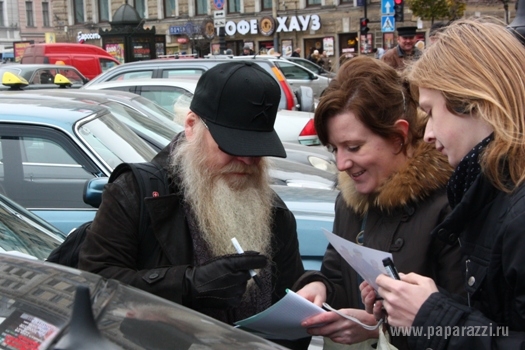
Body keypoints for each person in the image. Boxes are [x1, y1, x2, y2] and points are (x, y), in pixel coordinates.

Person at [78, 61, 309, 349]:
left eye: (257, 149)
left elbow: (293, 304)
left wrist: (315, 286)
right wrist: (189, 285)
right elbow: (94, 285)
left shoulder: (274, 212)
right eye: (234, 145)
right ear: (191, 126)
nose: (248, 161)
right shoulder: (136, 193)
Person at [361, 18, 525, 349]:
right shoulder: (495, 193)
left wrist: (433, 316)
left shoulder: (516, 212)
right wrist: (416, 309)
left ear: (473, 102)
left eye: (432, 112)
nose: (429, 133)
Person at [293, 56, 463, 350]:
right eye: (335, 148)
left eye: (354, 147)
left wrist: (377, 328)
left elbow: (469, 328)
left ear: (398, 136)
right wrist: (319, 287)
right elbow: (337, 275)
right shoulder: (350, 201)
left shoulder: (449, 205)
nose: (342, 163)